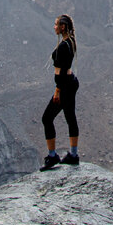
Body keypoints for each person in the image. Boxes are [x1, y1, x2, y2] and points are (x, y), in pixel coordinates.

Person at [40, 13, 80, 169]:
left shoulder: (64, 45)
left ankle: (52, 156)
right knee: (70, 117)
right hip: (71, 83)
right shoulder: (70, 41)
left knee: (47, 118)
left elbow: (62, 71)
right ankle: (73, 154)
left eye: (56, 24)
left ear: (62, 27)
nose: (54, 27)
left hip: (64, 85)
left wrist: (57, 91)